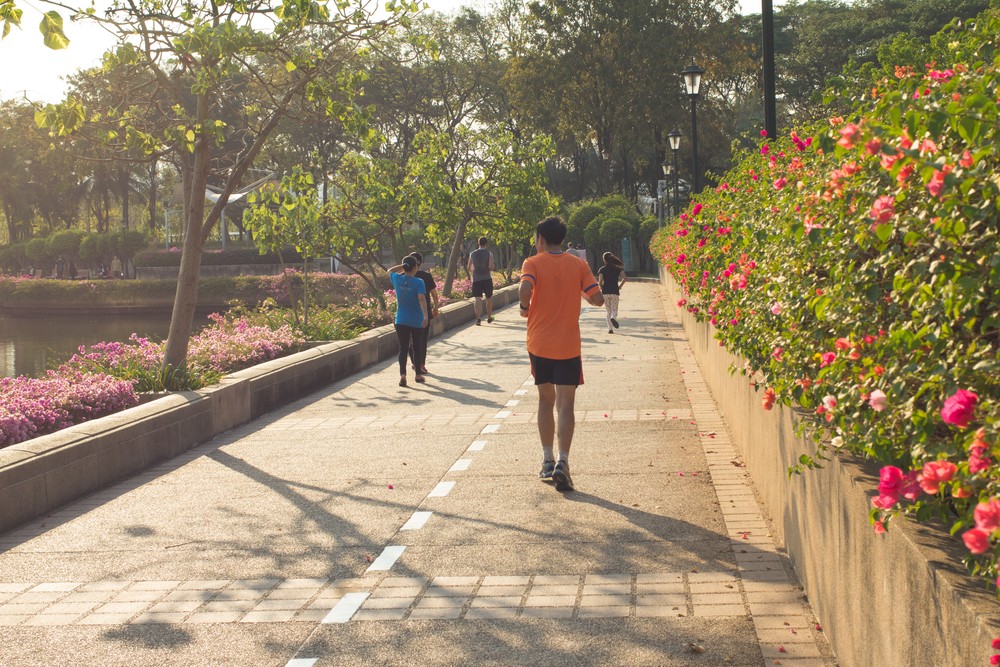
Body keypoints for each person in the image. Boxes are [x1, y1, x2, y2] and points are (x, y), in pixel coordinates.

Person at [519, 216, 604, 492]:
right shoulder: (579, 265)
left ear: (541, 239)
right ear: (562, 239)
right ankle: (563, 463)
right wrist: (578, 291)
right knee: (566, 405)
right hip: (568, 345)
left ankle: (547, 459)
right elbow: (597, 299)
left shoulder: (532, 262)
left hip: (539, 345)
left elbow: (525, 288)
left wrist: (524, 305)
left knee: (546, 400)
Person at [387, 256, 428, 387]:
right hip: (416, 320)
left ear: (404, 267)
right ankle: (418, 375)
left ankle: (403, 375)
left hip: (401, 320)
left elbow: (389, 271)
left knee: (403, 348)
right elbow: (422, 299)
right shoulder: (419, 282)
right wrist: (426, 316)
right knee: (417, 347)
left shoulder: (397, 279)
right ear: (415, 268)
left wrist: (402, 265)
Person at [408, 252, 440, 375]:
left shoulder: (403, 276)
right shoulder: (426, 276)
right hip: (423, 312)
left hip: (411, 313)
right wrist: (436, 307)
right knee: (422, 340)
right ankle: (420, 364)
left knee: (412, 339)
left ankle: (416, 363)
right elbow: (434, 294)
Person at [468, 236, 495, 325]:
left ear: (478, 243)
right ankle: (489, 317)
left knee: (477, 299)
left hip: (476, 279)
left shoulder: (472, 254)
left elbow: (469, 267)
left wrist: (475, 270)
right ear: (486, 244)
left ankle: (478, 319)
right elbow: (491, 267)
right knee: (489, 298)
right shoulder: (489, 253)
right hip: (487, 278)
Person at [598, 252, 627, 333]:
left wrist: (601, 287)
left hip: (605, 292)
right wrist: (620, 286)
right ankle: (613, 318)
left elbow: (600, 281)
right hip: (614, 292)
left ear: (604, 260)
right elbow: (624, 278)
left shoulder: (602, 269)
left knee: (608, 311)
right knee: (614, 310)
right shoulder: (617, 268)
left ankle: (610, 329)